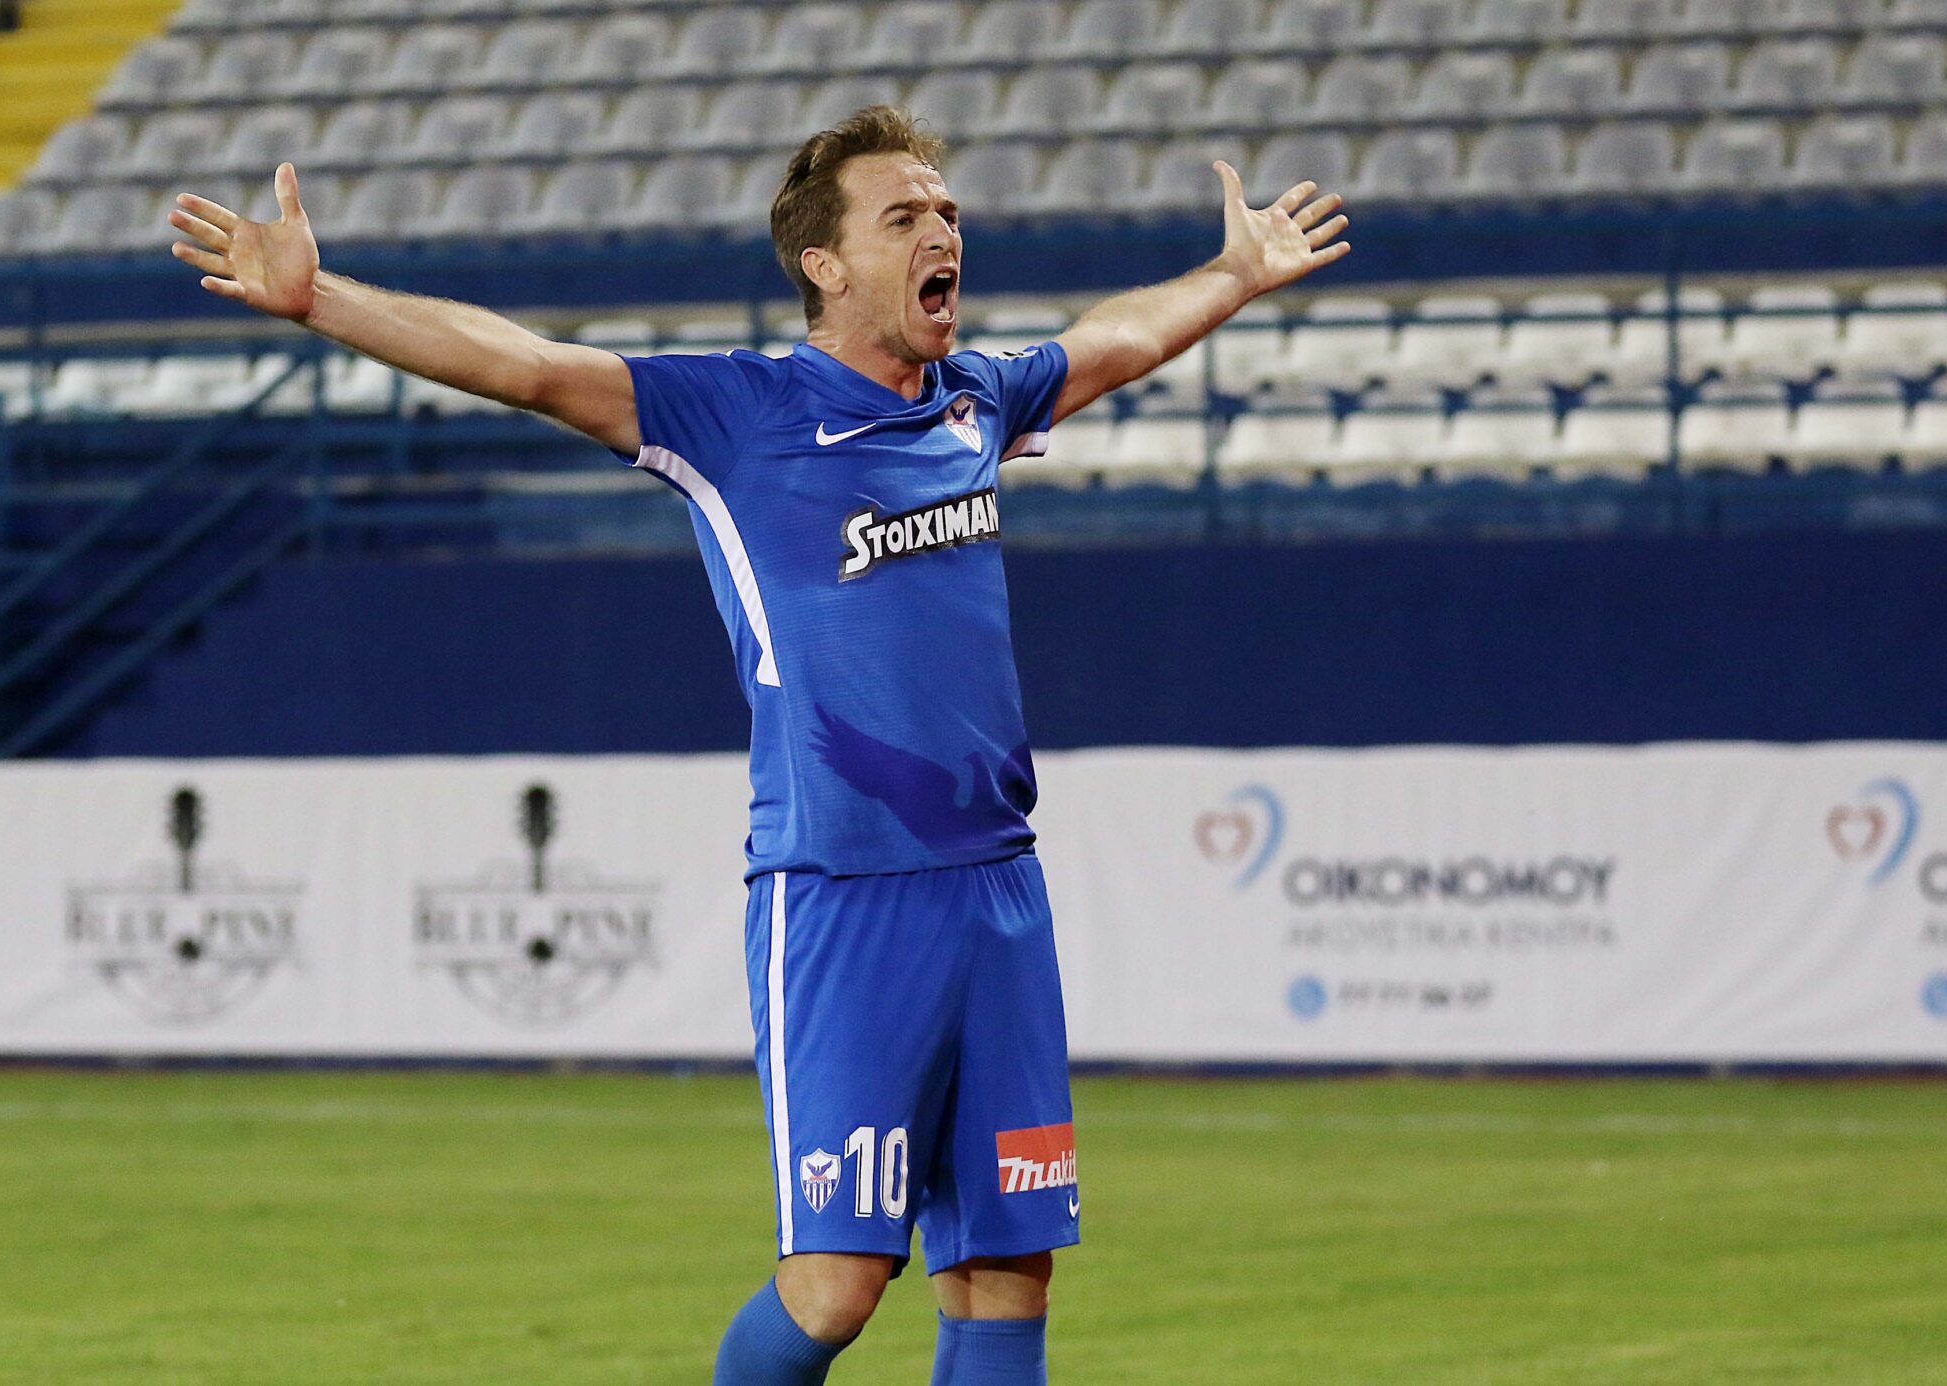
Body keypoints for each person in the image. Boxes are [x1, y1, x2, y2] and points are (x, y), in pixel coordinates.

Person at [168, 105, 1350, 1385]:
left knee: (1007, 1270)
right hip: (840, 893)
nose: (942, 231)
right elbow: (528, 366)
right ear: (824, 266)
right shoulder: (739, 413)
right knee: (836, 1289)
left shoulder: (974, 400)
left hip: (997, 892)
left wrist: (1233, 274)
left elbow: (1112, 343)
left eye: (946, 211)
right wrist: (321, 298)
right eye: (903, 216)